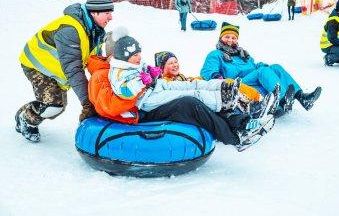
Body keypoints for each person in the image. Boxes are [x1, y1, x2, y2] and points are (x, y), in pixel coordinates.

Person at [87, 28, 276, 152]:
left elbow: (144, 75)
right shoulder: (101, 75)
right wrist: (141, 85)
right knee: (189, 102)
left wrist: (150, 76)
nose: (138, 58)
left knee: (193, 89)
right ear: (111, 55)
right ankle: (235, 138)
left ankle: (241, 122)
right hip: (142, 110)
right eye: (134, 55)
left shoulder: (125, 66)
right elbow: (110, 106)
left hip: (152, 94)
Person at [15, 0, 114, 142]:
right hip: (38, 65)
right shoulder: (70, 30)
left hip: (56, 69)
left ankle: (26, 111)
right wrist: (88, 102)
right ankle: (26, 118)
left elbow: (93, 61)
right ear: (94, 12)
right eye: (107, 12)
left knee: (57, 108)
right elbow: (73, 69)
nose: (110, 17)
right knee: (53, 106)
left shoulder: (95, 31)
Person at [200, 22, 322, 116]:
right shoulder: (215, 54)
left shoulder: (243, 54)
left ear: (237, 39)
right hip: (237, 84)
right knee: (263, 72)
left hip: (252, 80)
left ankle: (301, 96)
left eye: (233, 37)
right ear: (221, 37)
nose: (230, 40)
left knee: (275, 67)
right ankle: (283, 101)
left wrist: (265, 67)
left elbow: (254, 67)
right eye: (227, 37)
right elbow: (207, 71)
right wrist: (219, 78)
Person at [154, 50, 278, 118]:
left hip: (201, 95)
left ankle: (257, 102)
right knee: (227, 86)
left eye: (176, 61)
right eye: (170, 63)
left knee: (228, 84)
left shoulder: (182, 77)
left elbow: (194, 82)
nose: (175, 65)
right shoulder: (165, 82)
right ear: (161, 67)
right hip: (195, 103)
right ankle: (255, 104)